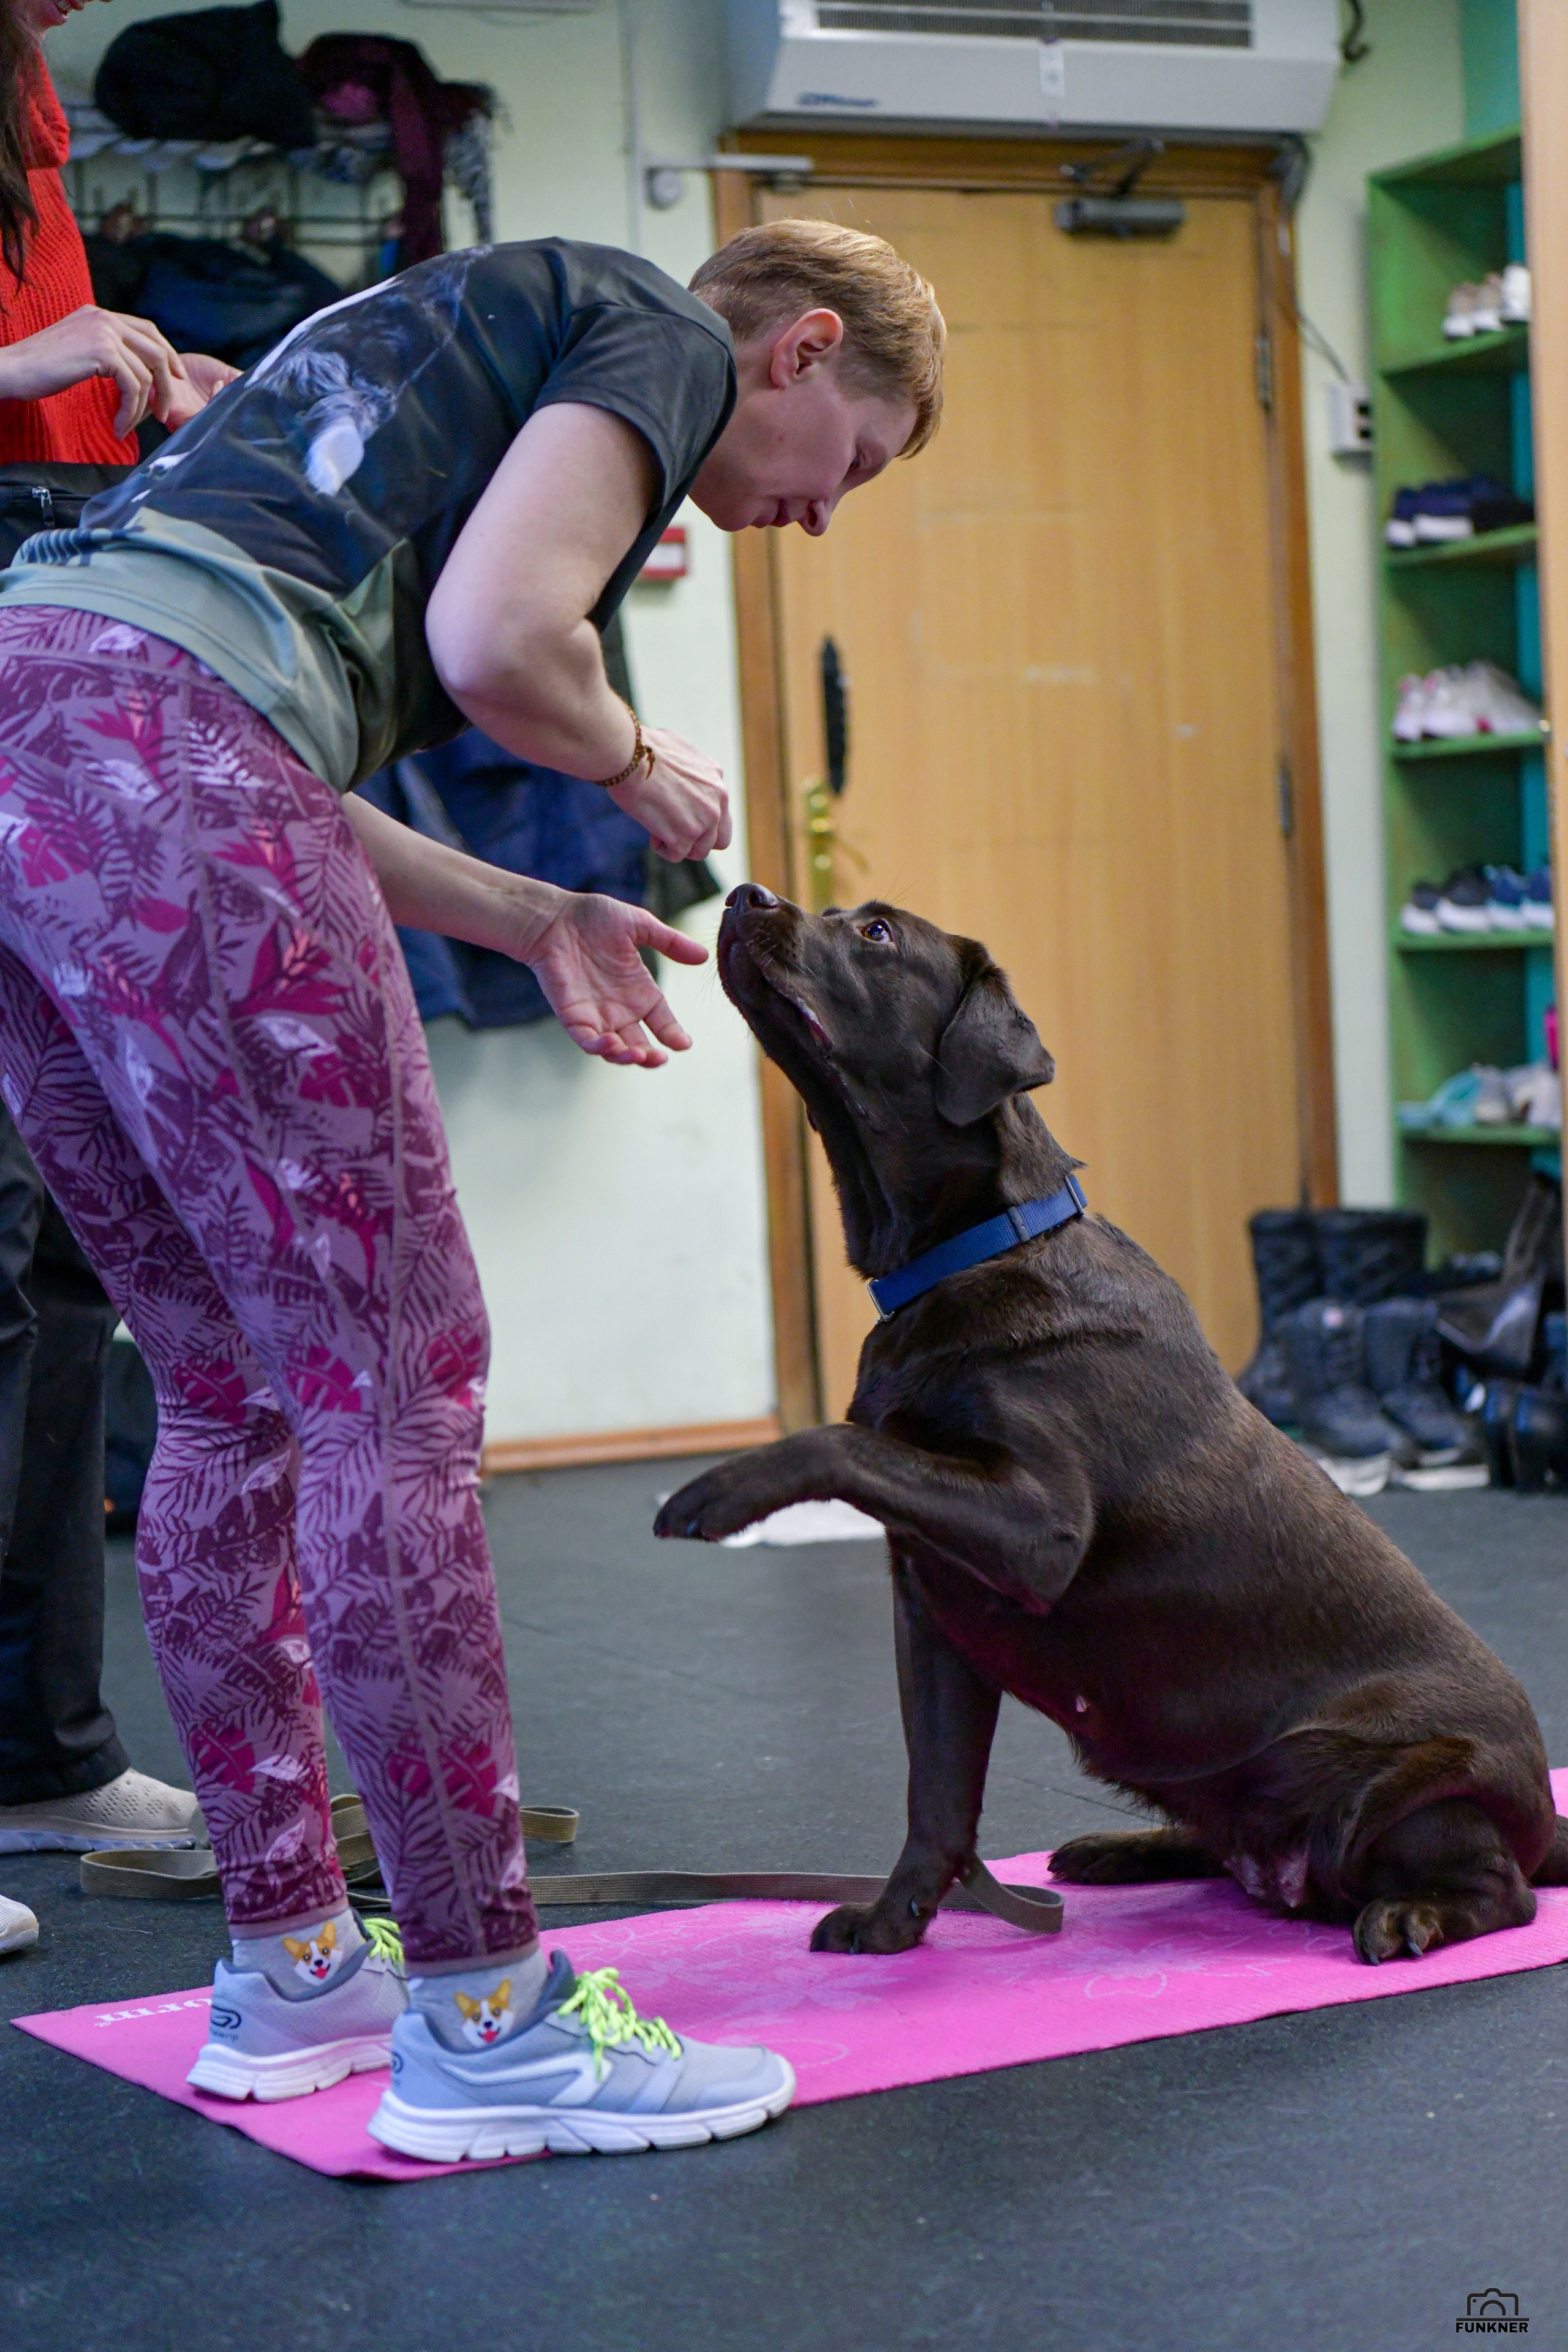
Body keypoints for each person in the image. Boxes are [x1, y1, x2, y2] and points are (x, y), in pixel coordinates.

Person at [0, 219, 944, 2156]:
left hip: (31, 733)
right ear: (800, 350)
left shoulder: (418, 349)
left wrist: (529, 911)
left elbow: (222, 725)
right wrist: (636, 762)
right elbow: (500, 647)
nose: (823, 514)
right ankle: (491, 2017)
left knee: (229, 1393)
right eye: (854, 458)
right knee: (396, 1388)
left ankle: (293, 1963)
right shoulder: (659, 326)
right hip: (152, 744)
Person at [0, 0, 235, 1961]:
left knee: (69, 1220)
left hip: (44, 567)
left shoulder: (25, 86)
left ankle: (41, 1749)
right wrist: (29, 362)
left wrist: (136, 392)